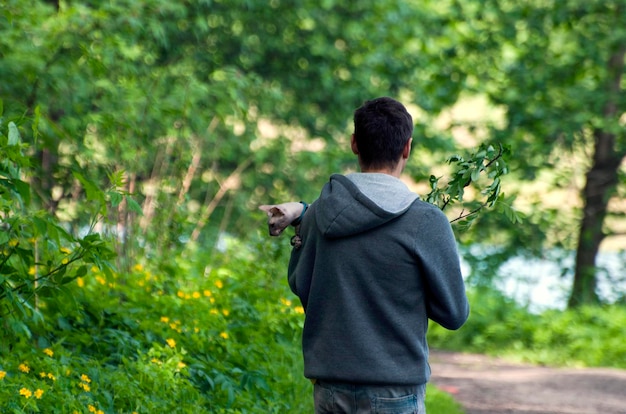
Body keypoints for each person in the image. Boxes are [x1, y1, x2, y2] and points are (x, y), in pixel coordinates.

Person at [260, 97, 469, 414]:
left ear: (355, 143)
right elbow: (453, 314)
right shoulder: (425, 221)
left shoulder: (317, 214)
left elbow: (301, 284)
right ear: (406, 149)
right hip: (395, 390)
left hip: (329, 388)